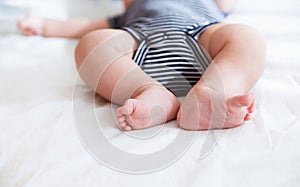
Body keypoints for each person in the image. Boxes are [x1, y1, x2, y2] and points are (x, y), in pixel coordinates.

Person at [18, 0, 266, 131]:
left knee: (248, 38)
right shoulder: (128, 12)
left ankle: (212, 93)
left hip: (204, 40)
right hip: (140, 43)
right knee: (91, 42)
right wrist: (45, 25)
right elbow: (81, 26)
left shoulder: (211, 5)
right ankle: (149, 92)